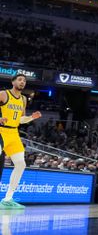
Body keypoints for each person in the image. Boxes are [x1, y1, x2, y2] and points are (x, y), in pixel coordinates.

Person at [0, 74, 41, 209]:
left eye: (24, 80)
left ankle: (8, 199)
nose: (22, 82)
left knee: (21, 164)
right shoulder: (3, 94)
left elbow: (20, 119)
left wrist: (31, 118)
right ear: (13, 82)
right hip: (1, 131)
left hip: (13, 133)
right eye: (20, 79)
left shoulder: (23, 99)